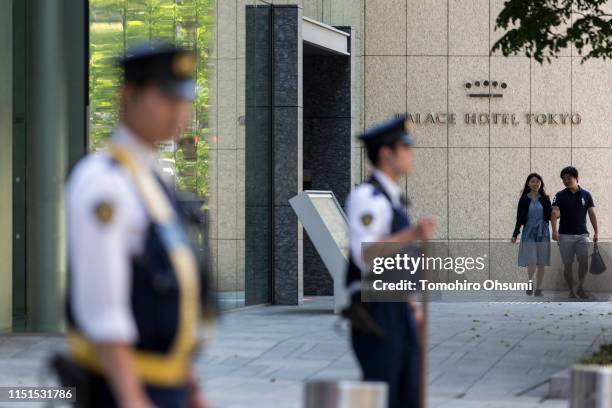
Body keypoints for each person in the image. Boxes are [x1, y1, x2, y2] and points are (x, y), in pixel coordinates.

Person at [64, 42, 209, 408]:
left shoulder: (152, 179)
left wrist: (190, 387)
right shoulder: (104, 183)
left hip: (166, 382)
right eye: (165, 98)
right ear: (128, 96)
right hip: (123, 387)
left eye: (184, 100)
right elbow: (104, 311)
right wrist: (131, 397)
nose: (179, 112)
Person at [343, 115, 435, 408]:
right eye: (404, 149)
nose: (411, 155)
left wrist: (412, 304)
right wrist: (413, 234)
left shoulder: (393, 200)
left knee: (407, 394)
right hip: (376, 312)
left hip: (398, 309)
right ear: (386, 154)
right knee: (385, 392)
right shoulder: (367, 197)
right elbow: (365, 254)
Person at [551, 166, 598, 299]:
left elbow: (592, 214)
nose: (566, 181)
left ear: (576, 178)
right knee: (567, 264)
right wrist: (554, 231)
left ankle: (580, 287)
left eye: (569, 178)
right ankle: (571, 290)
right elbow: (554, 213)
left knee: (583, 261)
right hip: (565, 235)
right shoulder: (559, 195)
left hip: (582, 234)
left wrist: (596, 232)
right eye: (564, 179)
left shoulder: (586, 195)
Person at [512, 173, 552, 297]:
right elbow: (519, 218)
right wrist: (515, 234)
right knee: (532, 260)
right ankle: (530, 282)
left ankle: (539, 288)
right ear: (528, 183)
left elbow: (551, 215)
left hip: (543, 231)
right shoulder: (524, 199)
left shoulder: (545, 199)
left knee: (541, 262)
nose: (535, 183)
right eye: (533, 181)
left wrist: (557, 213)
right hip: (529, 231)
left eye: (537, 181)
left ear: (541, 184)